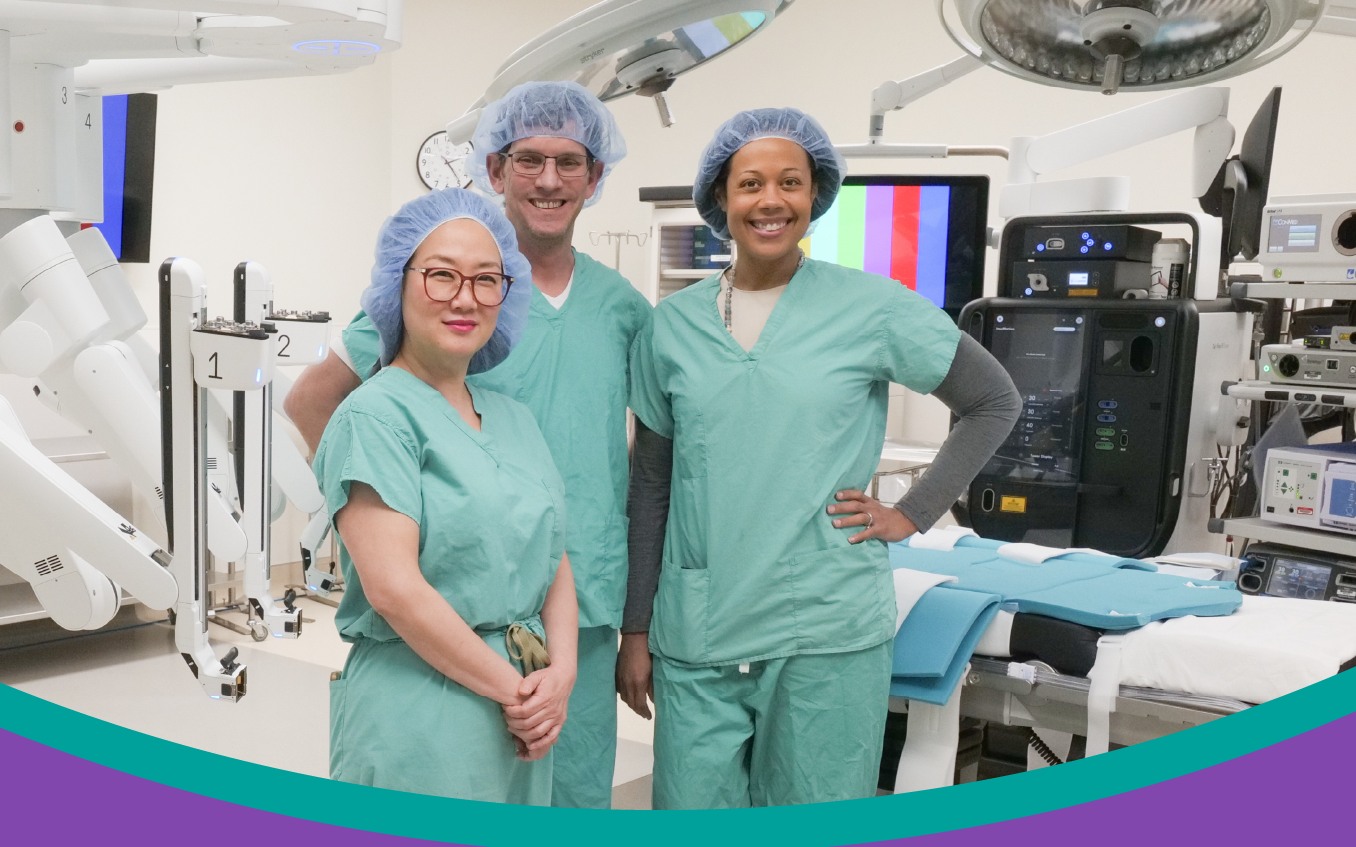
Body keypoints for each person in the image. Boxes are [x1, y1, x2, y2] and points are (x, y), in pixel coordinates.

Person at [618, 108, 1022, 809]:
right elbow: (651, 484)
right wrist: (636, 628)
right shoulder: (669, 329)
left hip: (824, 633)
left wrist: (914, 511)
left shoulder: (871, 307)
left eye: (789, 182)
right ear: (720, 196)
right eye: (750, 183)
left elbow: (993, 399)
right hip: (698, 628)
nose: (770, 200)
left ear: (815, 196)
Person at [286, 81, 651, 809]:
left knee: (570, 806)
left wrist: (630, 626)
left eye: (569, 162)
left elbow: (648, 465)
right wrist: (395, 513)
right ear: (493, 170)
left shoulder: (621, 312)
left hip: (572, 619)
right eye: (528, 160)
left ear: (595, 176)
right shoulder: (414, 336)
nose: (465, 297)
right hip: (441, 625)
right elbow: (311, 402)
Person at [315, 187, 578, 803]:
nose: (466, 298)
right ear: (395, 287)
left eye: (488, 280)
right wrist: (519, 695)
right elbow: (396, 592)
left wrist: (560, 673)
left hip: (522, 707)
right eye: (441, 276)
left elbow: (553, 557)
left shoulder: (513, 418)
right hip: (423, 709)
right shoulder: (375, 417)